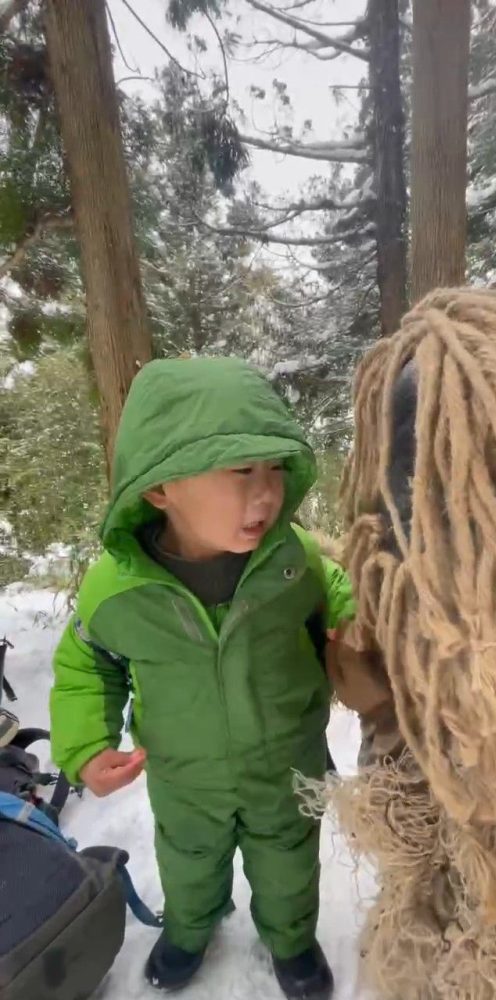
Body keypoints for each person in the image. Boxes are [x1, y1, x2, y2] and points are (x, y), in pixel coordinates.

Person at [50, 356, 355, 998]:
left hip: (286, 761)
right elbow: (86, 664)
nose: (266, 491)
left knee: (289, 862)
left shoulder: (291, 558)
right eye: (241, 470)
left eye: (275, 469)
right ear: (160, 487)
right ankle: (189, 929)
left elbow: (335, 583)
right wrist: (84, 745)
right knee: (188, 861)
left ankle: (293, 941)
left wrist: (351, 615)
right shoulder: (118, 587)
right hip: (186, 776)